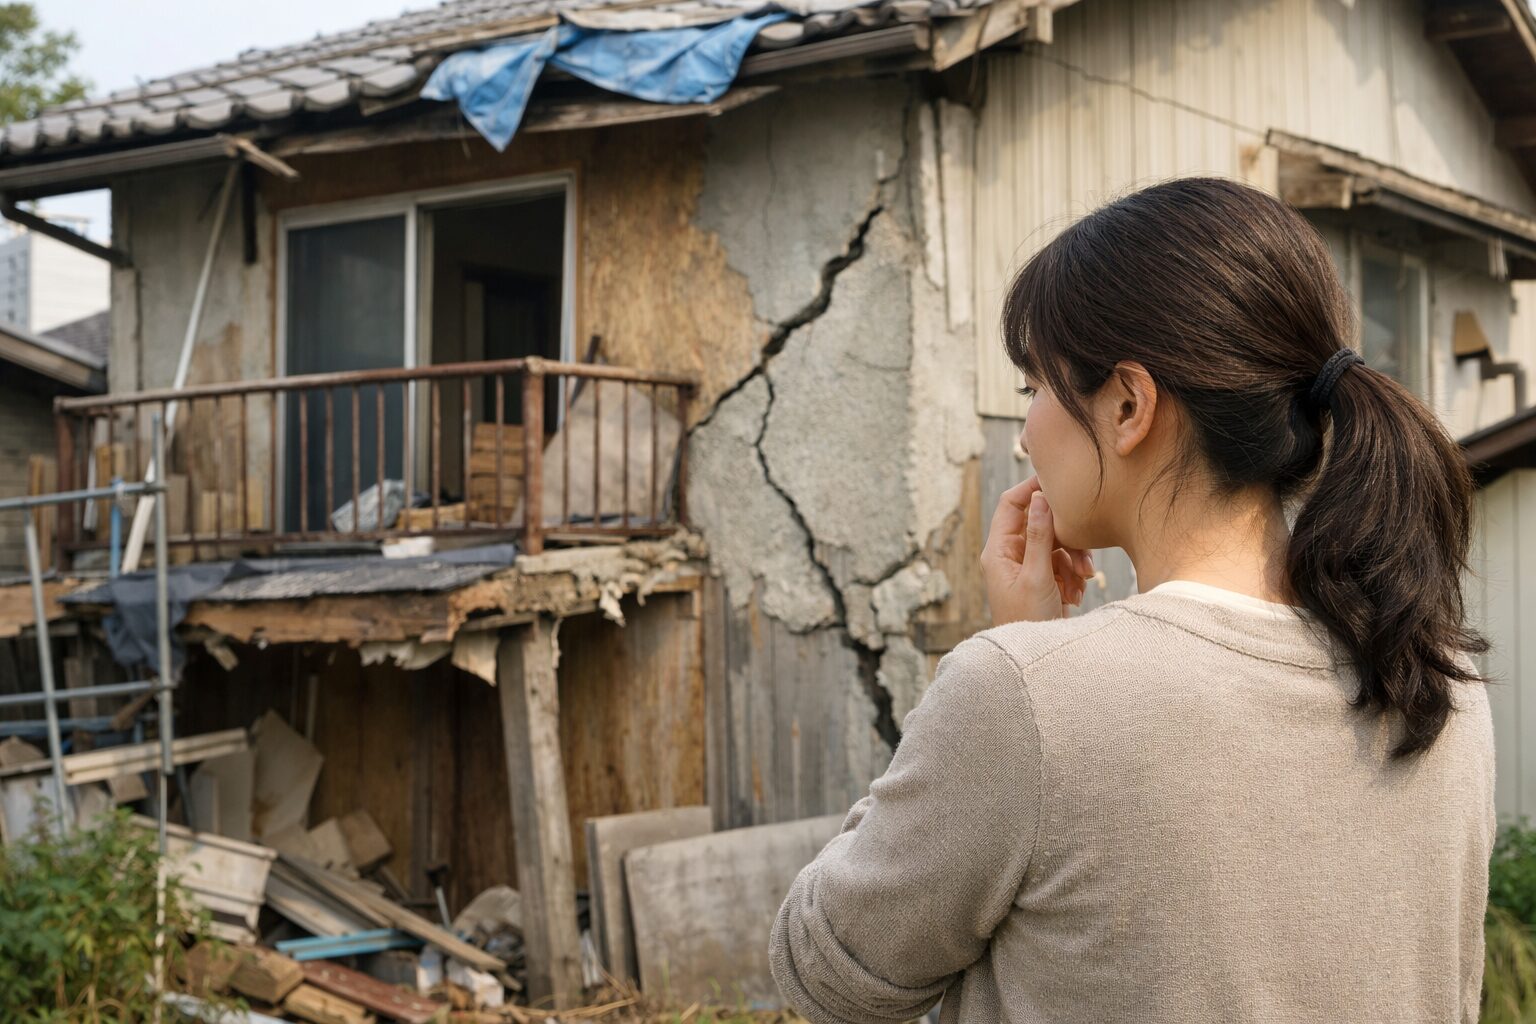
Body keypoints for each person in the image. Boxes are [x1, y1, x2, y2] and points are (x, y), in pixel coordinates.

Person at [767, 177, 1495, 1024]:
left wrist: (1027, 655)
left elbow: (827, 974)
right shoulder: (1439, 680)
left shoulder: (1026, 698)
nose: (1027, 430)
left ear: (1127, 404)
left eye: (1031, 388)